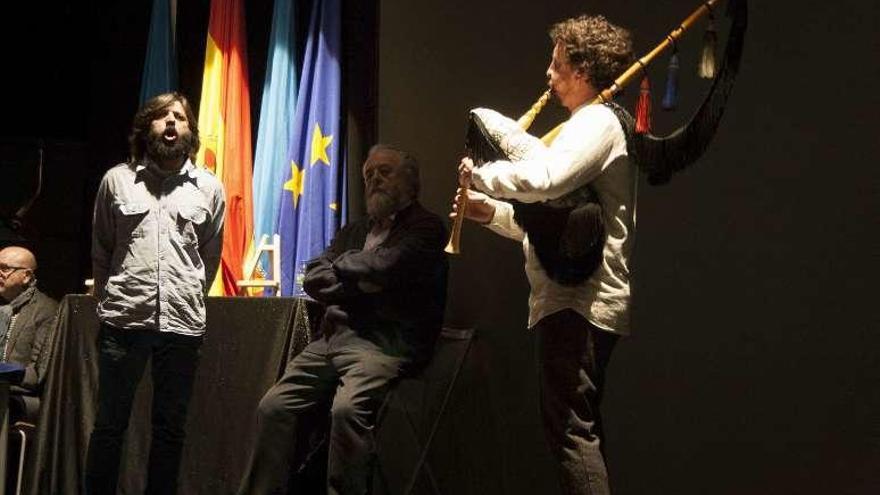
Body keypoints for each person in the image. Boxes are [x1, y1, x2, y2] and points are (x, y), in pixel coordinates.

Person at [453, 15, 635, 495]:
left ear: (581, 69)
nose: (548, 77)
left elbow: (546, 181)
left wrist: (484, 175)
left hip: (581, 303)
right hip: (569, 303)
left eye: (557, 66)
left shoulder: (598, 121)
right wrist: (486, 212)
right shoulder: (585, 126)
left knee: (572, 434)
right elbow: (550, 222)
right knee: (572, 430)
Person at [238, 145, 448, 495]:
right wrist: (364, 277)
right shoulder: (354, 231)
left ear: (409, 181)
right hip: (333, 340)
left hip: (386, 345)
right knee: (273, 406)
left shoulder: (427, 227)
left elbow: (388, 266)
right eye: (368, 175)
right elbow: (314, 277)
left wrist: (351, 272)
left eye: (384, 172)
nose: (374, 180)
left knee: (346, 411)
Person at [86, 92, 226, 495]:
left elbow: (209, 258)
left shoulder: (209, 188)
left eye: (179, 117)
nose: (170, 123)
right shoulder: (116, 180)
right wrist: (110, 302)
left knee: (170, 430)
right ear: (147, 127)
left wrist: (186, 296)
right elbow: (102, 250)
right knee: (110, 426)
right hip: (124, 321)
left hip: (182, 326)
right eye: (161, 116)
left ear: (189, 131)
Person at [0, 245, 58, 422]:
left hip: (24, 396)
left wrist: (6, 374)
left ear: (26, 276)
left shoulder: (47, 311)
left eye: (4, 268)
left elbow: (38, 374)